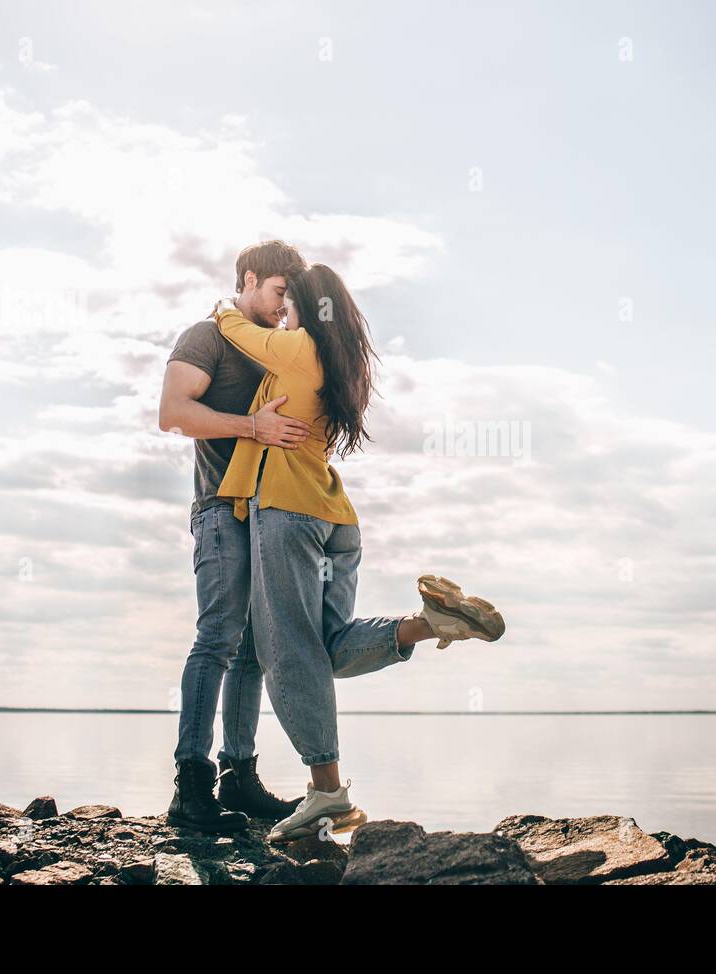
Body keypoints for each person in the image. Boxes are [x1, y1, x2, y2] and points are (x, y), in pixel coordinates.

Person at [211, 263, 506, 841]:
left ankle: (327, 793)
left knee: (286, 653)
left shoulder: (298, 348)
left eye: (288, 303)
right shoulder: (344, 360)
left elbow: (236, 330)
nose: (282, 313)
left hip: (287, 512)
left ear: (306, 307)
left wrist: (227, 303)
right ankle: (429, 623)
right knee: (323, 649)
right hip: (333, 520)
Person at [158, 241, 312, 833]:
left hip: (272, 514)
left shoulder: (277, 348)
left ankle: (239, 778)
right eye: (278, 293)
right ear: (249, 280)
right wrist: (255, 426)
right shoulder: (207, 336)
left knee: (253, 652)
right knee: (218, 637)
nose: (283, 307)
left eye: (291, 300)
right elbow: (173, 412)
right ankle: (190, 786)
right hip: (222, 509)